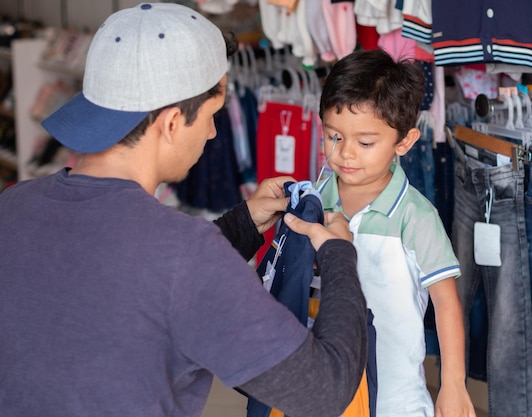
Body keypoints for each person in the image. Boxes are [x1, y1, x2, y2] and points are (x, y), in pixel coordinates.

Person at [0, 4, 368, 417]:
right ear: (173, 122)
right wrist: (339, 256)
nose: (212, 132)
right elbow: (324, 390)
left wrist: (241, 224)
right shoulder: (185, 256)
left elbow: (137, 286)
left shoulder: (12, 206)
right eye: (212, 115)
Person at [317, 49, 476, 417]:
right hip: (324, 388)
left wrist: (452, 384)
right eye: (333, 137)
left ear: (403, 143)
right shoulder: (315, 200)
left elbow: (446, 303)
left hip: (394, 399)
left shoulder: (414, 215)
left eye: (366, 143)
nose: (345, 154)